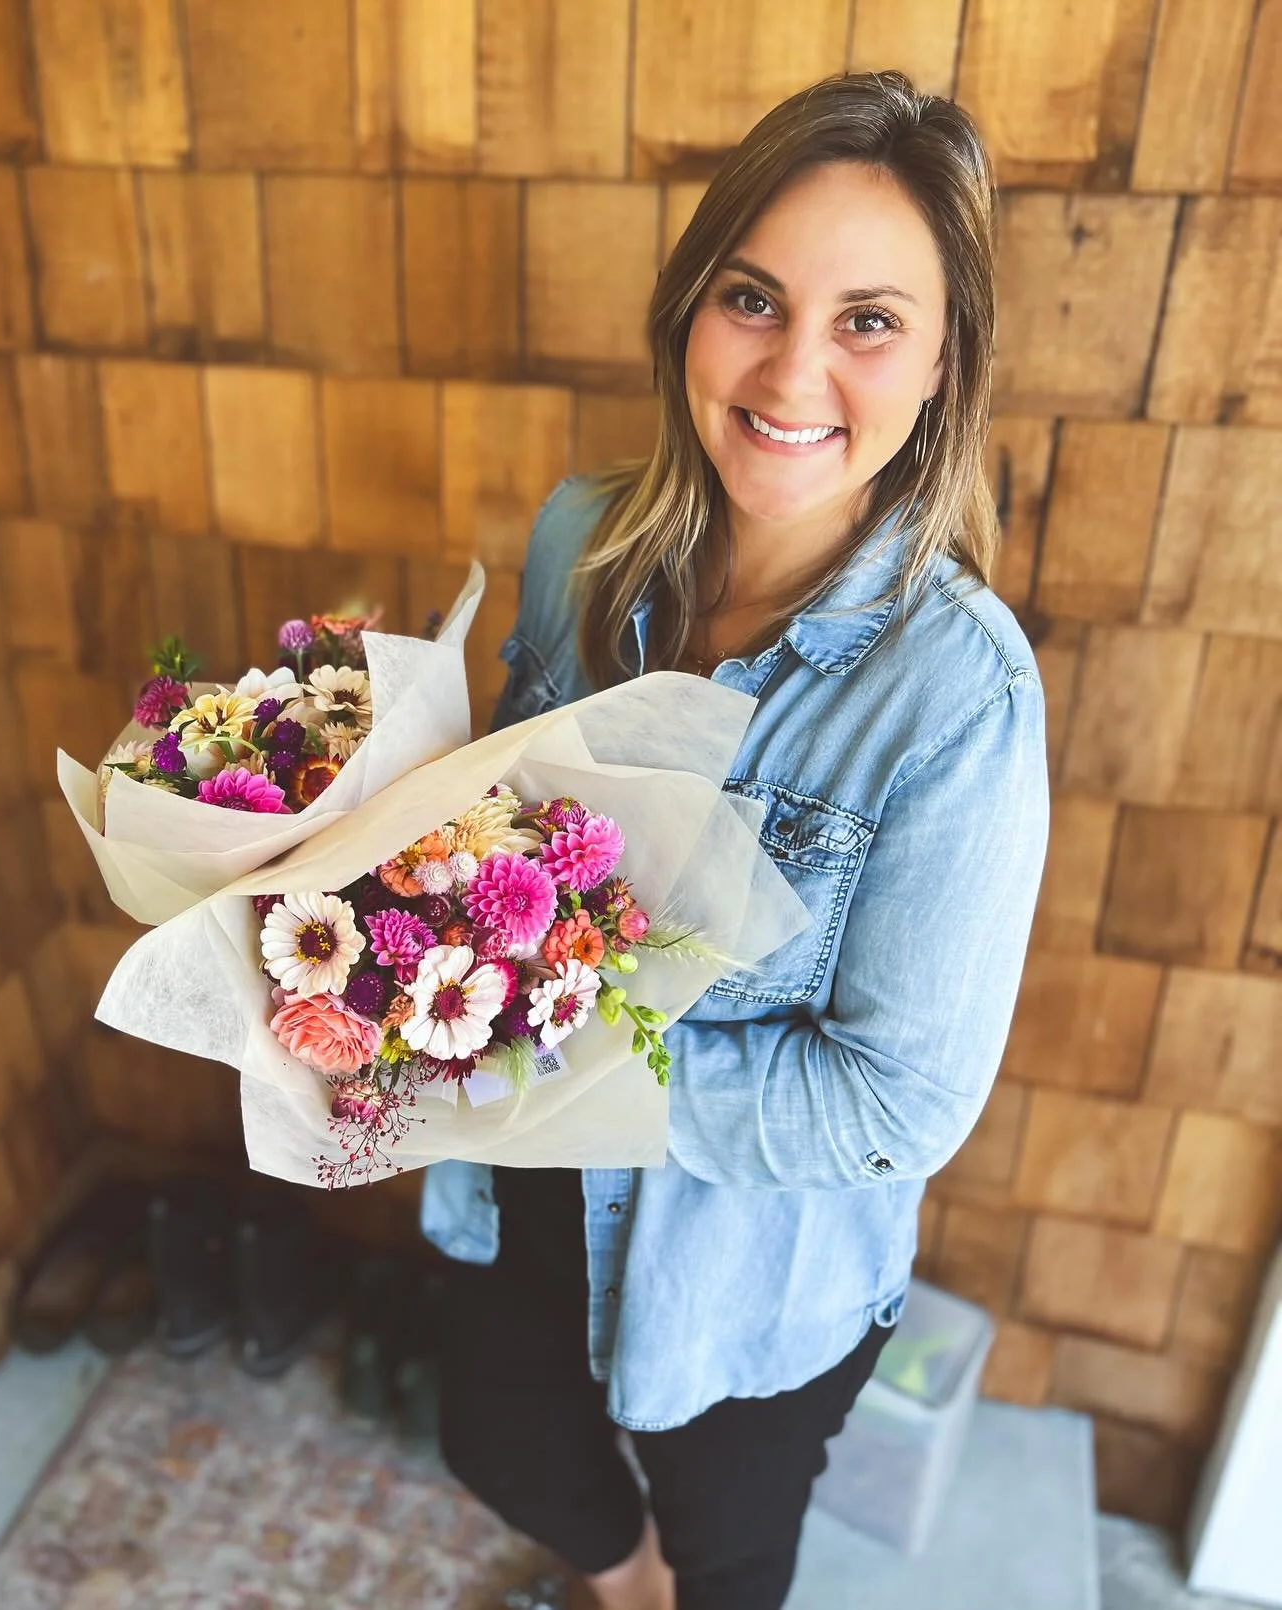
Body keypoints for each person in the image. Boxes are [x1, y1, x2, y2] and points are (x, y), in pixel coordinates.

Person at [421, 70, 1049, 1610]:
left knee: (733, 1553)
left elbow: (897, 1099)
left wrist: (572, 1063)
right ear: (690, 309)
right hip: (518, 1162)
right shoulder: (578, 539)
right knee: (498, 1437)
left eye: (869, 320)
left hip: (745, 1266)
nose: (792, 369)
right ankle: (621, 1582)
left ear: (943, 363)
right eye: (752, 297)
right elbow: (489, 830)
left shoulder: (959, 693)